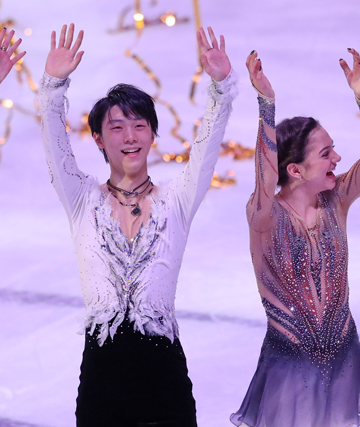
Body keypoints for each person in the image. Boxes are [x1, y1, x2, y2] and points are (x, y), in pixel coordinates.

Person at [39, 23, 237, 426]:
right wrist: (53, 86)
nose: (130, 136)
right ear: (98, 138)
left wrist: (221, 87)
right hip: (101, 386)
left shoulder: (175, 200)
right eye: (116, 126)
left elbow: (208, 145)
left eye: (140, 125)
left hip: (165, 385)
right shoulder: (82, 200)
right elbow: (54, 145)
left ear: (153, 134)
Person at [230, 48, 360, 427]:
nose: (336, 158)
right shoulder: (264, 216)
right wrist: (267, 106)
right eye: (326, 152)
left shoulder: (336, 201)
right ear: (296, 169)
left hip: (343, 354)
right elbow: (266, 177)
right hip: (289, 362)